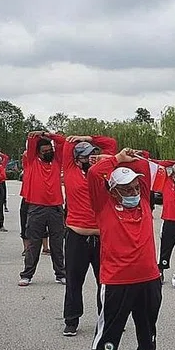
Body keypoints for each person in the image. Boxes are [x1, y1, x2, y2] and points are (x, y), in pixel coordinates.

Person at [81, 147, 175, 350]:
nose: (134, 192)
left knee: (148, 325)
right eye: (127, 189)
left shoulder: (143, 202)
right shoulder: (104, 205)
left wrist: (132, 159)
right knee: (108, 330)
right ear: (113, 191)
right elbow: (94, 174)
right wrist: (117, 159)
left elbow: (143, 166)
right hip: (117, 280)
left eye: (135, 187)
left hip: (149, 277)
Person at [61, 135, 117, 337]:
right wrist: (76, 140)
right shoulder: (70, 171)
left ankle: (107, 318)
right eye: (86, 156)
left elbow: (111, 145)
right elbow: (67, 143)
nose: (91, 158)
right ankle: (71, 319)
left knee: (106, 282)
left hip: (103, 237)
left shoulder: (101, 173)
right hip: (77, 236)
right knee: (74, 280)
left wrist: (89, 138)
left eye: (93, 154)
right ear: (77, 159)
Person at [19, 131, 66, 286]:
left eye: (50, 150)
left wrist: (48, 135)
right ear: (38, 152)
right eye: (44, 151)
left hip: (56, 208)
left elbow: (62, 141)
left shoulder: (57, 161)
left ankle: (61, 274)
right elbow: (31, 139)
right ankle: (27, 275)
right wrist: (39, 135)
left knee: (57, 244)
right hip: (36, 208)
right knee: (34, 244)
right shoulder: (32, 161)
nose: (48, 152)